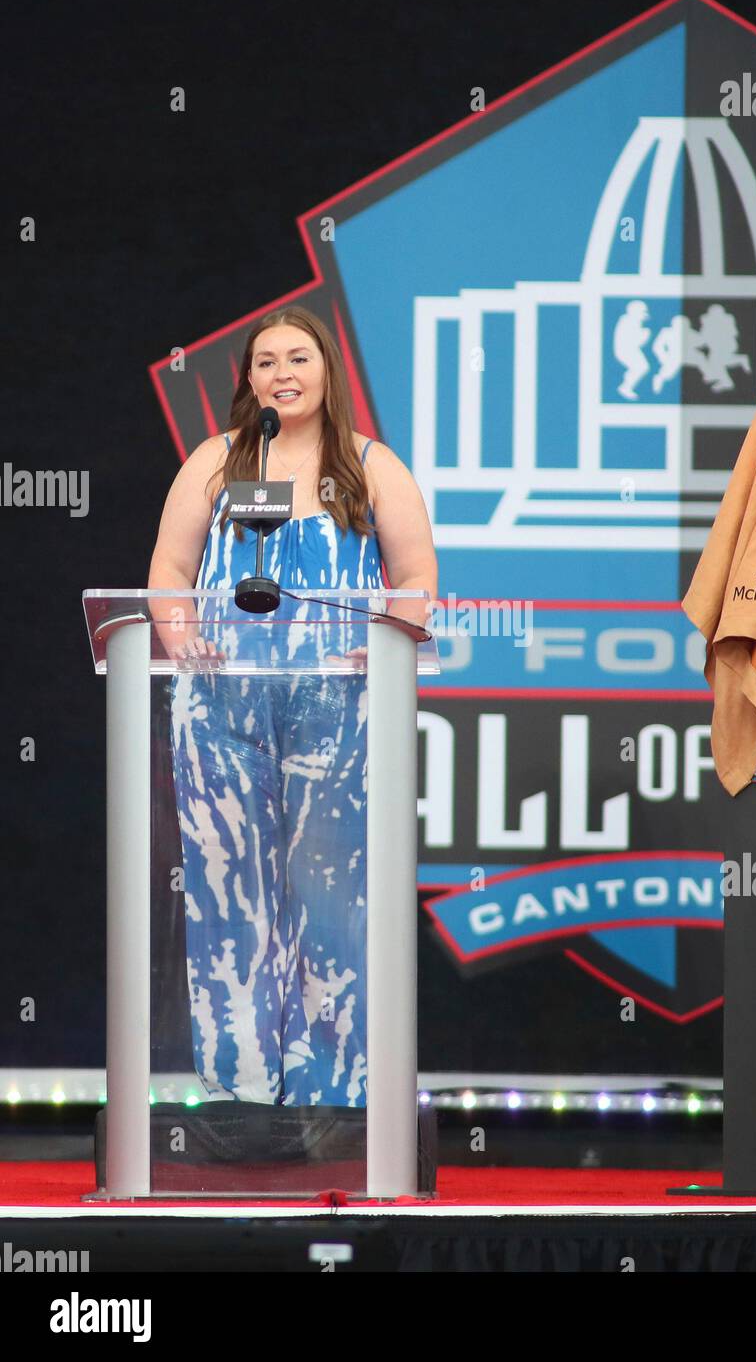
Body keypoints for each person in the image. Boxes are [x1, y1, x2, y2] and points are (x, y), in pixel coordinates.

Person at [148, 305, 438, 1107]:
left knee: (334, 900)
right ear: (248, 379)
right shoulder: (216, 461)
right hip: (222, 712)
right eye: (266, 361)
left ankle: (338, 1100)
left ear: (327, 371)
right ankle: (241, 1097)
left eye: (299, 357)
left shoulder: (372, 466)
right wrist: (181, 638)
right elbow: (169, 570)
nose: (283, 372)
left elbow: (416, 575)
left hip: (340, 712)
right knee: (229, 899)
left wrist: (384, 641)